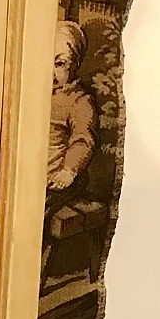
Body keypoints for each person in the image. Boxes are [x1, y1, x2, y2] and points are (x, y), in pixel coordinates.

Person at [48, 21, 97, 195]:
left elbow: (82, 140)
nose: (50, 71)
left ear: (74, 64)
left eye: (59, 63)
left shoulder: (79, 101)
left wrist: (68, 170)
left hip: (55, 180)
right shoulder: (33, 92)